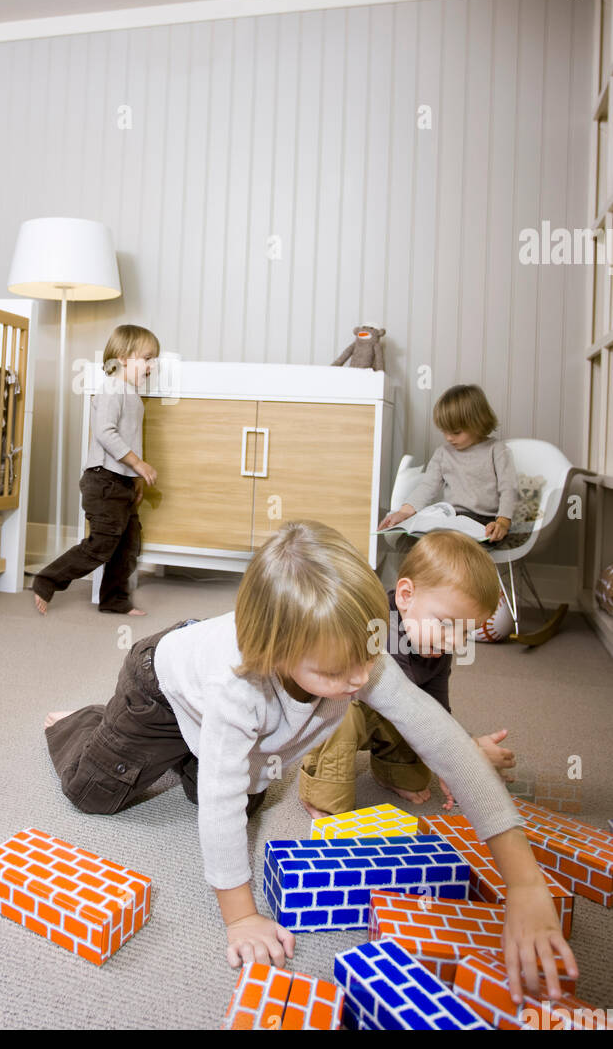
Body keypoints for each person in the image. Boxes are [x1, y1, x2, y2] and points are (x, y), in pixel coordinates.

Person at [44, 520, 577, 1001]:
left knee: (240, 795)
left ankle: (190, 749)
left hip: (222, 721)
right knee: (93, 793)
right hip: (160, 688)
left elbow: (448, 745)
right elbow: (218, 806)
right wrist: (242, 918)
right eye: (334, 673)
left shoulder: (357, 659)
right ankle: (89, 722)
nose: (358, 682)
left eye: (367, 660)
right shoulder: (238, 691)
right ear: (278, 655)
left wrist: (525, 883)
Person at [298, 530, 515, 817]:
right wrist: (462, 752)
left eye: (466, 632)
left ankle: (391, 770)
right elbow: (410, 709)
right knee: (344, 721)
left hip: (395, 712)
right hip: (340, 709)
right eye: (447, 625)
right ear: (405, 596)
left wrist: (459, 752)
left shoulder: (437, 646)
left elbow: (437, 710)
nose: (457, 642)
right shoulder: (378, 626)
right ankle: (318, 789)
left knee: (417, 762)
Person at [32, 324, 160, 616]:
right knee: (101, 544)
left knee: (127, 546)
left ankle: (114, 600)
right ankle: (47, 579)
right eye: (148, 358)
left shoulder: (133, 396)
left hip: (122, 482)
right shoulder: (114, 389)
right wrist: (138, 464)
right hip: (104, 481)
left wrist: (136, 477)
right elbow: (104, 432)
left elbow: (130, 441)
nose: (152, 366)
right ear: (126, 357)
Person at [379, 384, 518, 543]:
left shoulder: (496, 450)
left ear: (478, 423)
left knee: (452, 547)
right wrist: (403, 512)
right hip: (452, 518)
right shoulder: (443, 454)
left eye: (456, 432)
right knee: (409, 541)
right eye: (444, 431)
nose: (449, 438)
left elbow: (508, 489)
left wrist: (503, 522)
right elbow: (427, 486)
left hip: (486, 521)